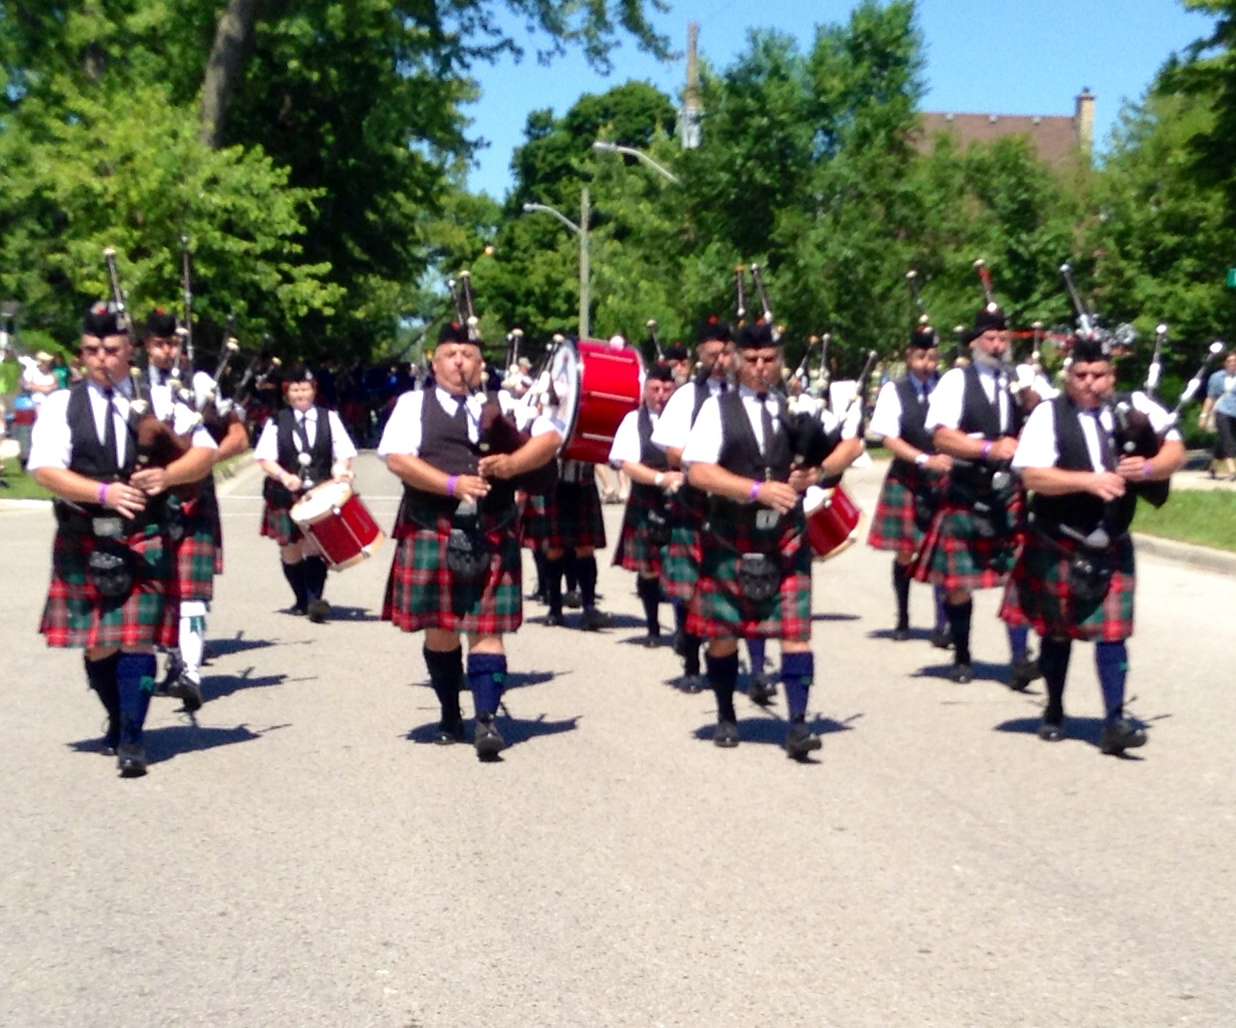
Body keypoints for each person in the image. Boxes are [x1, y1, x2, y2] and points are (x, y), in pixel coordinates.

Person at [29, 303, 216, 776]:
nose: (101, 359)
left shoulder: (159, 401)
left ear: (128, 351)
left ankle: (133, 738)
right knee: (99, 646)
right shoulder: (61, 405)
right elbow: (45, 470)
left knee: (136, 642)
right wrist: (103, 492)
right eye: (92, 351)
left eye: (111, 350)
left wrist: (168, 474)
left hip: (144, 536)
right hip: (85, 535)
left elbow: (207, 454)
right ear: (81, 355)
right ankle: (117, 717)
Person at [378, 322, 562, 758]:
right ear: (433, 360)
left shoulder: (506, 403)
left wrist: (513, 464)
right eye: (450, 354)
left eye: (468, 354)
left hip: (492, 528)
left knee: (488, 630)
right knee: (440, 631)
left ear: (481, 363)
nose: (459, 362)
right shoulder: (412, 404)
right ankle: (448, 712)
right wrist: (450, 484)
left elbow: (551, 439)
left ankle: (486, 721)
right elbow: (399, 460)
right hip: (431, 525)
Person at [682, 320, 861, 756]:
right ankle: (726, 713)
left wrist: (816, 473)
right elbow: (698, 470)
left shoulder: (794, 409)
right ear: (737, 362)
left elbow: (851, 446)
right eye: (752, 360)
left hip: (785, 539)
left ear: (780, 362)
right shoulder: (716, 409)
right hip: (731, 535)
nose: (761, 368)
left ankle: (798, 724)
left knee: (796, 634)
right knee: (724, 634)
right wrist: (757, 490)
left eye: (769, 360)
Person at [999, 337, 1185, 753]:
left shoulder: (1133, 406)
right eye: (1080, 375)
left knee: (1113, 634)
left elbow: (1176, 448)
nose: (1089, 383)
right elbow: (1031, 476)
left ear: (1111, 376)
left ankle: (1115, 721)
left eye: (1098, 375)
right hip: (1059, 537)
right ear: (1068, 378)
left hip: (1113, 539)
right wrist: (1089, 480)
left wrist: (1150, 468)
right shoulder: (1049, 415)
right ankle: (1054, 708)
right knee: (1055, 632)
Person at [915, 304, 1040, 688]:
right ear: (975, 343)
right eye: (991, 337)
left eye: (1003, 337)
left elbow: (1047, 421)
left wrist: (1032, 401)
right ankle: (963, 654)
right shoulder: (956, 381)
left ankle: (1020, 659)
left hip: (1010, 493)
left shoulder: (1021, 380)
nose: (999, 344)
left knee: (1020, 576)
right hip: (967, 489)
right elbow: (941, 436)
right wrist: (987, 449)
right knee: (957, 585)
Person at [143, 310, 250, 708]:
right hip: (146, 498)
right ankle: (174, 659)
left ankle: (191, 670)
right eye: (159, 344)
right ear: (146, 346)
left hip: (193, 496)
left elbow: (239, 436)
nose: (167, 351)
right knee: (157, 587)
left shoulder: (202, 383)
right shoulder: (132, 385)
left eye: (172, 344)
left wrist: (201, 460)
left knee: (192, 590)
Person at [651, 317, 737, 689]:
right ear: (701, 354)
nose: (720, 359)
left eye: (726, 352)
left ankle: (753, 662)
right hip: (696, 499)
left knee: (742, 584)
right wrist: (709, 463)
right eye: (713, 353)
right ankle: (689, 660)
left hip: (737, 502)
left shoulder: (746, 393)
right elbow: (671, 451)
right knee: (689, 589)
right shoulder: (687, 396)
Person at [866, 326, 952, 646]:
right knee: (906, 552)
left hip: (944, 475)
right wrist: (922, 459)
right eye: (920, 357)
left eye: (931, 357)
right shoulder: (895, 390)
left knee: (944, 551)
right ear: (909, 356)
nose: (927, 364)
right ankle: (902, 617)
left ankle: (944, 624)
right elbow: (888, 438)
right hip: (909, 476)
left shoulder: (946, 386)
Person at [254, 365, 357, 622]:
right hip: (284, 494)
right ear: (287, 393)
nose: (300, 394)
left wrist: (341, 469)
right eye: (295, 389)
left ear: (314, 390)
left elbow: (343, 451)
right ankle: (301, 598)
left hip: (319, 492)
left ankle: (314, 601)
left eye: (305, 388)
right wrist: (283, 476)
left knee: (315, 547)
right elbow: (265, 457)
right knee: (290, 549)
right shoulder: (277, 420)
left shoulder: (329, 418)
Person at [607, 363, 682, 645]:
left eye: (666, 389)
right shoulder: (632, 421)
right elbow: (626, 464)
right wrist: (662, 478)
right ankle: (652, 628)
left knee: (680, 567)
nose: (661, 395)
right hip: (647, 499)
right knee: (649, 568)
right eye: (655, 389)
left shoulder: (686, 419)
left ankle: (683, 631)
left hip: (682, 500)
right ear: (645, 389)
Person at [1201, 350, 1236, 480]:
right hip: (1222, 411)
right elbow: (1210, 398)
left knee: (1223, 441)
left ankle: (1213, 467)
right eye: (1230, 361)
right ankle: (1233, 471)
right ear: (1224, 363)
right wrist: (1204, 416)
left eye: (1235, 361)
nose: (1233, 363)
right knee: (1228, 439)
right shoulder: (1216, 377)